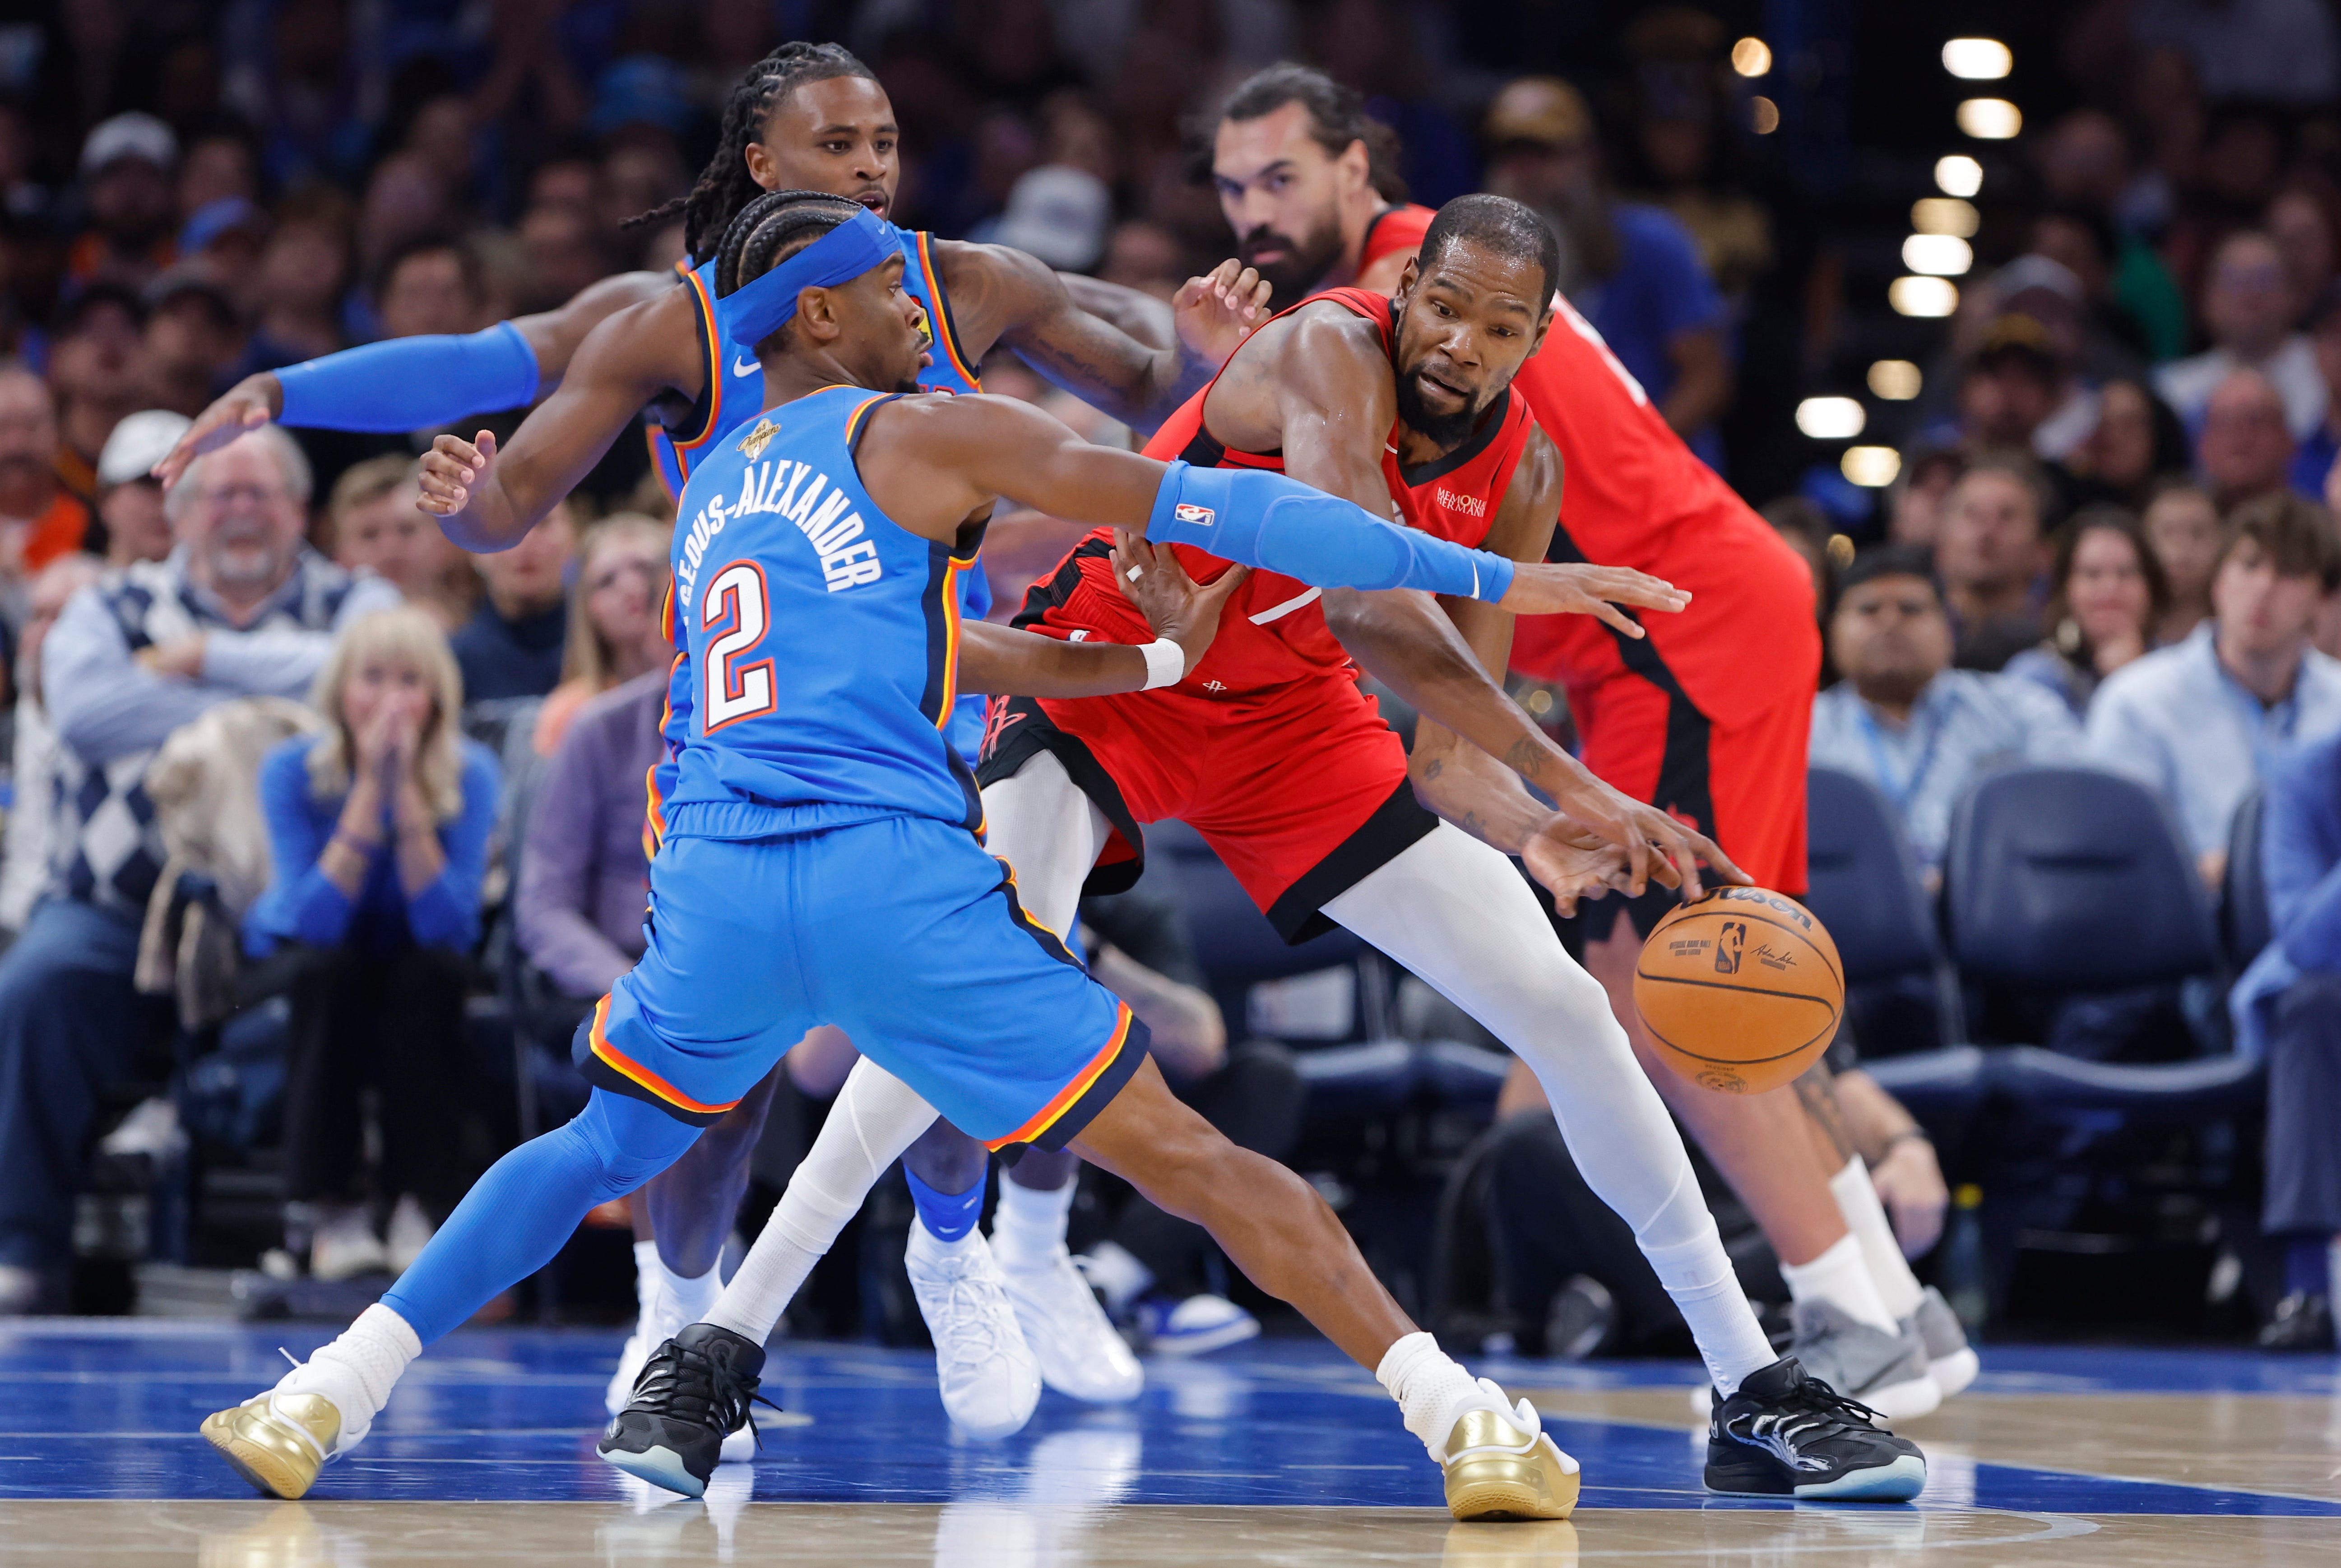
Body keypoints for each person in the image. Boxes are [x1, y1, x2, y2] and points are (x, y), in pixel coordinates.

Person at [195, 190, 1771, 1517]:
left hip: (726, 887)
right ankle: (1456, 1415)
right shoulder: (935, 433)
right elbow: (1238, 511)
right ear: (815, 319)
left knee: (598, 1148)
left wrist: (1148, 671)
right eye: (886, 284)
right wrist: (1497, 576)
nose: (916, 299)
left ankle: (332, 1391)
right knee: (1193, 1157)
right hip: (890, 883)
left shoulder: (715, 485)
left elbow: (941, 651)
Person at [663, 189, 1923, 1497]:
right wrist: (1581, 778)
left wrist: (1543, 827)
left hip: (1292, 729)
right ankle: (720, 1346)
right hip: (1114, 668)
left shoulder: (1526, 469)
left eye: (1500, 326)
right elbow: (1374, 605)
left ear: (1539, 335)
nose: (1460, 345)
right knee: (957, 998)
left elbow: (1445, 760)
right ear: (1405, 290)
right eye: (1442, 307)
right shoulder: (1330, 349)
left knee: (1567, 1008)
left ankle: (1747, 1385)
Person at [161, 37, 1275, 1429]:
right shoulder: (673, 321)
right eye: (836, 148)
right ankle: (677, 1314)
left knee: (958, 1013)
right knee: (714, 1096)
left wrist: (1239, 368)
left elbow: (1149, 376)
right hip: (740, 746)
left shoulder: (943, 285)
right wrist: (290, 396)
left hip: (927, 699)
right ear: (761, 166)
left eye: (882, 145)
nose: (871, 170)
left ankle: (959, 1258)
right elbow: (484, 392)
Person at [1208, 63, 1972, 1417]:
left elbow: (1358, 560)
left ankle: (1846, 1317)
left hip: (1668, 629)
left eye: (1281, 179)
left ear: (1356, 169)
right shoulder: (1422, 278)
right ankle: (1890, 1304)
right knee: (1732, 980)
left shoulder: (1409, 293)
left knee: (1673, 981)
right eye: (1231, 187)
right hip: (1695, 619)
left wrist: (1223, 376)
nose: (1255, 212)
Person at [0, 427, 398, 1312]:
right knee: (35, 981)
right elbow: (92, 713)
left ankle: (257, 1171)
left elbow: (381, 674)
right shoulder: (108, 604)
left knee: (357, 972)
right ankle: (26, 1248)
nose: (242, 511)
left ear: (300, 510)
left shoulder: (355, 598)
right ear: (179, 513)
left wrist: (202, 661)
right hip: (121, 906)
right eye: (221, 494)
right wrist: (290, 693)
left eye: (262, 493)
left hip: (298, 909)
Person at [244, 607, 500, 1280]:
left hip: (416, 961)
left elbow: (451, 928)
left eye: (410, 680)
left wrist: (408, 799)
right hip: (309, 960)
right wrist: (366, 791)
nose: (391, 699)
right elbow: (314, 921)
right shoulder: (290, 770)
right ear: (339, 692)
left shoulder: (470, 773)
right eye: (373, 678)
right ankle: (331, 1209)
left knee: (429, 976)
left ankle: (421, 1204)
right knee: (331, 972)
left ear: (437, 697)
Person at [2089, 491, 2341, 888]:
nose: (2263, 588)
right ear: (2218, 582)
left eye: (2289, 573)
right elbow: (2115, 861)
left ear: (2321, 600)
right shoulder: (2136, 700)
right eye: (2249, 565)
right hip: (2184, 934)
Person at [1474, 75, 1730, 465]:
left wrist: (1629, 458)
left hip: (1650, 478)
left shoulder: (1651, 242)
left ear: (1588, 156)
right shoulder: (1477, 263)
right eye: (1512, 154)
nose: (1528, 172)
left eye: (1545, 153)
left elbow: (1707, 378)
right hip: (1546, 483)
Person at [1809, 546, 2083, 875]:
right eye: (1868, 610)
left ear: (1948, 628)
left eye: (1911, 609)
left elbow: (2074, 809)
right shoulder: (1804, 731)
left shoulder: (2021, 711)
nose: (1890, 622)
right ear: (1832, 631)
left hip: (1996, 905)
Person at [2227, 723, 2341, 1349]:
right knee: (2314, 1006)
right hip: (2323, 989)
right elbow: (2304, 940)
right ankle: (2307, 1288)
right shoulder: (2305, 775)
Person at [0, 554, 105, 940]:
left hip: (81, 924)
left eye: (61, 618)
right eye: (36, 617)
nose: (43, 635)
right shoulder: (8, 732)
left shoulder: (128, 737)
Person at [2156, 231, 2327, 441]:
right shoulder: (2174, 390)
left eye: (2264, 279)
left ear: (2294, 295)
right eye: (2233, 279)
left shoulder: (2328, 372)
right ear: (2208, 297)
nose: (2249, 293)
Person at [2005, 507, 2171, 718]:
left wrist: (2136, 676)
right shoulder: (2036, 675)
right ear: (2066, 590)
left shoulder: (2180, 672)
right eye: (2092, 574)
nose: (2110, 587)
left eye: (2126, 573)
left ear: (2151, 588)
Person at [531, 514, 670, 756]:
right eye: (607, 581)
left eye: (644, 569)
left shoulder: (711, 688)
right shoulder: (569, 714)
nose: (630, 587)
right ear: (587, 609)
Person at [323, 456, 473, 630]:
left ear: (441, 541)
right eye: (370, 535)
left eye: (406, 530)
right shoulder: (313, 632)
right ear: (340, 553)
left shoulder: (480, 626)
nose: (390, 549)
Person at [1934, 455, 2052, 672]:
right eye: (1972, 515)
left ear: (2042, 551)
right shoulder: (1910, 640)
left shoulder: (2059, 644)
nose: (1987, 532)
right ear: (1941, 544)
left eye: (2007, 516)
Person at [450, 499, 573, 704]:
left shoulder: (610, 647)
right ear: (473, 549)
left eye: (543, 523)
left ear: (573, 539)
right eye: (506, 527)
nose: (528, 542)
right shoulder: (452, 664)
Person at [0, 368, 94, 604]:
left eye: (31, 427)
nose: (16, 445)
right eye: (2, 428)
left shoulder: (92, 525)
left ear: (58, 433)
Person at [2070, 377, 2191, 510]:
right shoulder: (2069, 501)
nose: (2112, 437)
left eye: (2128, 424)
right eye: (2104, 423)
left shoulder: (2187, 506)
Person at [91, 410, 190, 568]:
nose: (168, 499)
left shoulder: (237, 590)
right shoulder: (73, 590)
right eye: (149, 482)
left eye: (186, 483)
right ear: (105, 498)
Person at [2199, 368, 2299, 513]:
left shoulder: (2316, 530)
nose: (2240, 435)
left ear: (2287, 439)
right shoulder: (2188, 525)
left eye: (2256, 419)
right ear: (2204, 444)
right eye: (2226, 421)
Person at [2143, 479, 2225, 643]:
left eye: (2198, 533)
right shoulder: (2128, 630)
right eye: (2168, 532)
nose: (2183, 547)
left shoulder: (2236, 634)